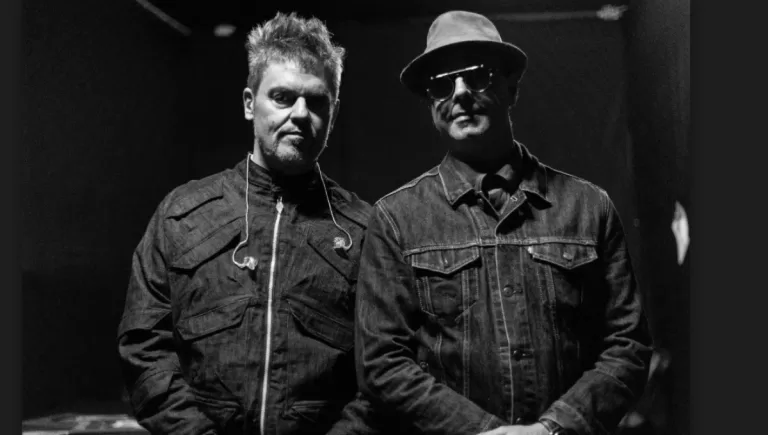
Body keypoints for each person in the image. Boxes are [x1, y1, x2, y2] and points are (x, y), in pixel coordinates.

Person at [354, 10, 653, 435]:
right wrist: (481, 431)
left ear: (512, 88)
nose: (460, 93)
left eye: (477, 76)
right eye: (441, 84)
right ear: (431, 105)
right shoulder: (395, 219)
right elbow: (381, 364)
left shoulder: (590, 208)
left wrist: (552, 429)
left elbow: (628, 346)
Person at [118, 12, 376, 435]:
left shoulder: (365, 232)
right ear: (249, 103)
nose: (300, 114)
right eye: (282, 97)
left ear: (334, 113)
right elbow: (144, 349)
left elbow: (383, 373)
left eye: (316, 101)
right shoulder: (181, 214)